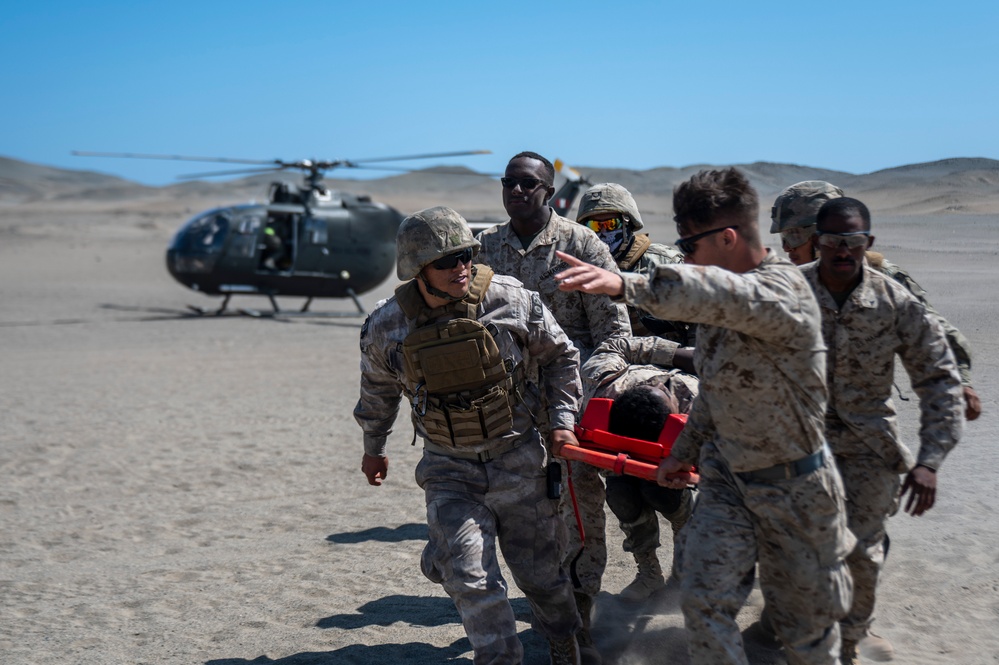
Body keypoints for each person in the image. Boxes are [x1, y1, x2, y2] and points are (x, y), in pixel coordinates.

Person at [554, 167, 855, 665]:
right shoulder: (716, 307)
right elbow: (716, 390)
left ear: (728, 237)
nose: (685, 255)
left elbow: (724, 298)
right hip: (726, 483)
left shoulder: (785, 290)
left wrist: (622, 284)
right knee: (705, 604)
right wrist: (685, 452)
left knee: (807, 632)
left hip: (793, 489)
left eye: (689, 244)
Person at [354, 206, 584, 665]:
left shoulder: (511, 300)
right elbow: (377, 391)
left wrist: (562, 422)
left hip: (518, 457)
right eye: (445, 261)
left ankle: (562, 638)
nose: (460, 268)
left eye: (466, 255)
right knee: (473, 578)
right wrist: (373, 448)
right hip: (448, 467)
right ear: (418, 269)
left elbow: (562, 357)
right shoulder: (387, 325)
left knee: (541, 579)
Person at [477, 152, 631, 664]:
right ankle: (551, 622)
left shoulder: (581, 245)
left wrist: (587, 378)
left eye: (529, 184)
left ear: (549, 191)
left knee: (579, 519)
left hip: (570, 411)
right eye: (510, 183)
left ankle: (581, 624)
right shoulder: (483, 251)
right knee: (522, 524)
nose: (518, 191)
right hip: (505, 417)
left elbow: (615, 334)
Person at [801, 197, 964, 664]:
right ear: (818, 241)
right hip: (798, 447)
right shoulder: (788, 292)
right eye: (833, 240)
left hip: (870, 450)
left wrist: (930, 460)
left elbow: (939, 378)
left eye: (853, 242)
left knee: (862, 556)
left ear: (867, 243)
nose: (842, 251)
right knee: (801, 553)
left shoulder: (895, 303)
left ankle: (848, 647)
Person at [770, 181, 981, 421]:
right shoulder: (788, 285)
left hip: (867, 428)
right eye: (784, 237)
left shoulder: (884, 280)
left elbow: (938, 332)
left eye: (794, 235)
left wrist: (962, 382)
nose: (787, 248)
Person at [581, 335, 698, 601]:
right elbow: (613, 345)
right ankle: (649, 573)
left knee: (663, 495)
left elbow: (620, 344)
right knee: (622, 496)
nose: (660, 383)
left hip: (673, 458)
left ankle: (684, 568)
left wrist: (680, 356)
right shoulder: (601, 385)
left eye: (663, 389)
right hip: (620, 453)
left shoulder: (699, 404)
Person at [575, 183, 694, 344]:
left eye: (611, 224)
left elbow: (698, 323)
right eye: (594, 226)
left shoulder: (665, 263)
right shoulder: (578, 270)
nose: (603, 232)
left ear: (628, 223)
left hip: (665, 364)